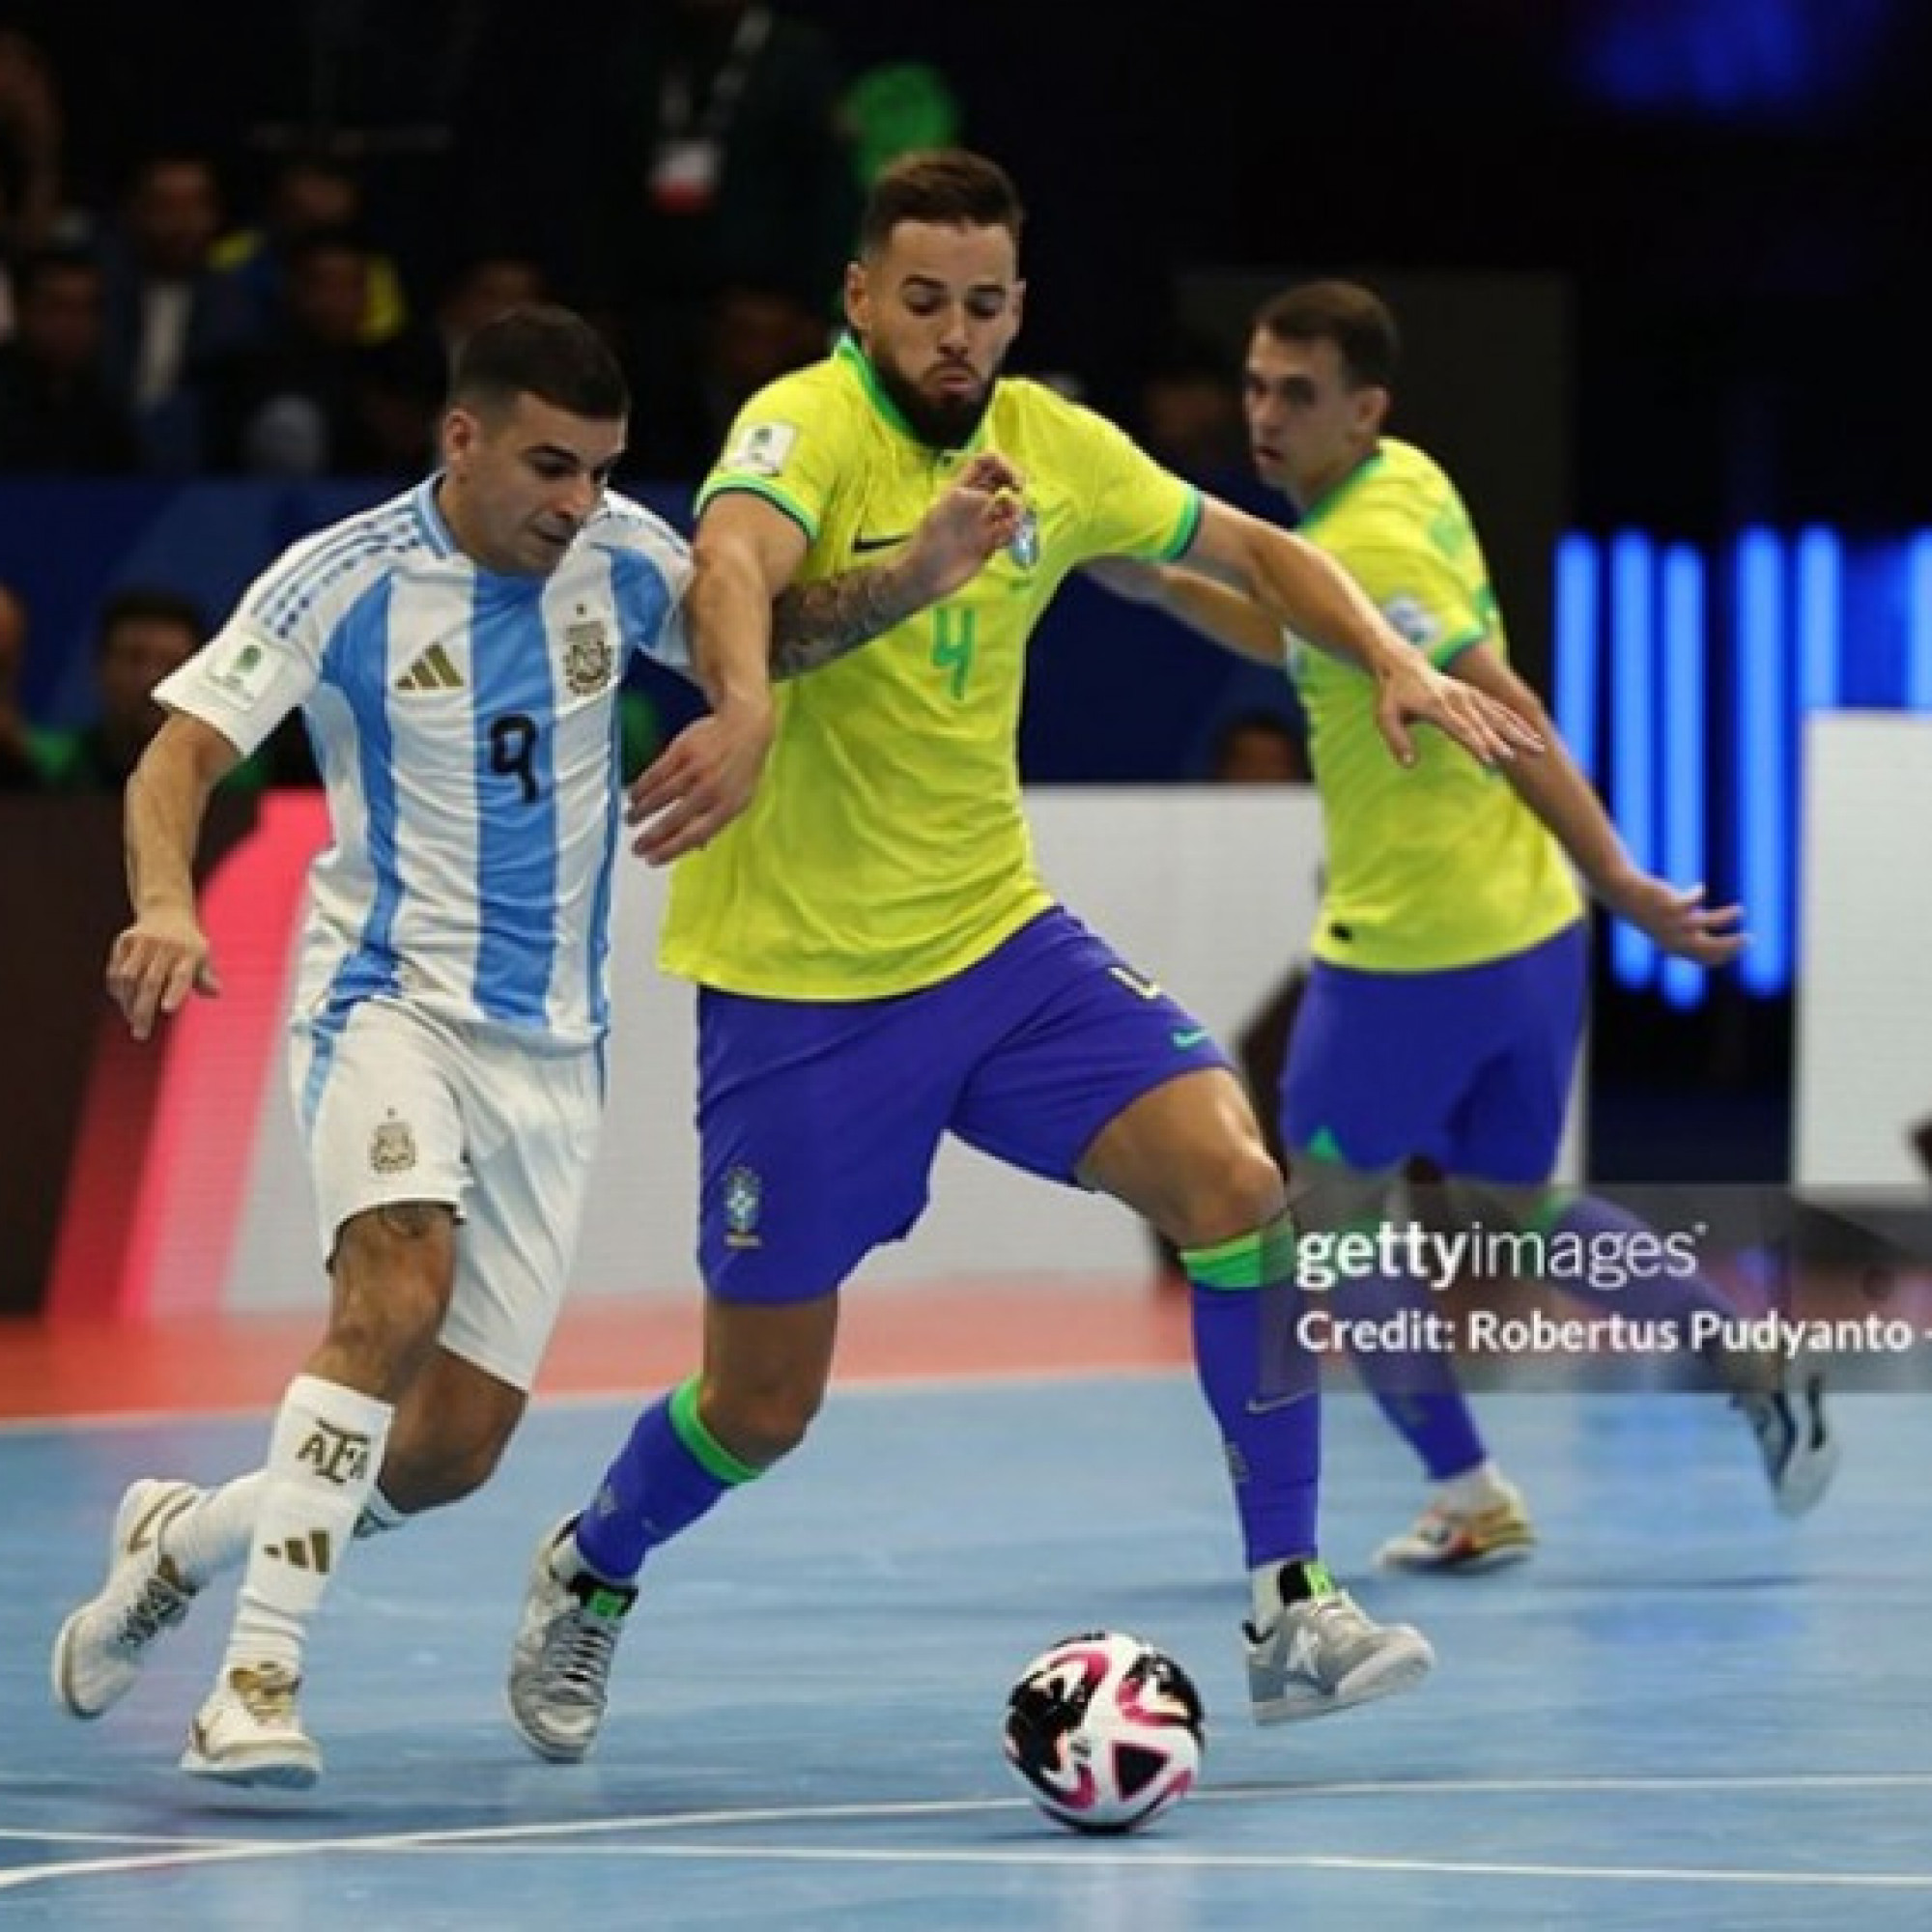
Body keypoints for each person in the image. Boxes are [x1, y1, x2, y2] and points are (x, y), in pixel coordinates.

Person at [501, 150, 1546, 1769]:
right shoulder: (803, 428)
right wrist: (764, 692)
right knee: (761, 1407)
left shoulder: (1051, 445)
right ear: (863, 298)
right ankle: (594, 1564)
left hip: (1000, 946)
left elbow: (1261, 552)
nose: (954, 334)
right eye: (922, 300)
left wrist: (1394, 654)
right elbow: (731, 572)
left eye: (984, 305)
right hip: (802, 994)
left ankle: (1290, 1602)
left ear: (1017, 310)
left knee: (1238, 1188)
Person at [47, 301, 1024, 1790]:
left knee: (447, 1453)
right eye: (551, 469)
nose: (578, 505)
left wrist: (922, 568)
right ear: (463, 438)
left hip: (553, 1054)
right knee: (393, 1295)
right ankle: (248, 1682)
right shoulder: (346, 579)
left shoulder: (618, 554)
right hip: (389, 1006)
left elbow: (765, 631)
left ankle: (186, 1536)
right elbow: (181, 751)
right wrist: (168, 905)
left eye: (602, 471)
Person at [1092, 278, 1839, 1570]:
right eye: (1258, 386)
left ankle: (1471, 1491)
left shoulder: (1377, 545)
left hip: (1413, 956)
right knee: (1512, 1202)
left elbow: (1509, 713)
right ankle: (1744, 1345)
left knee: (1331, 1218)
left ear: (1362, 407)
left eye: (1298, 395)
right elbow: (1299, 631)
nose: (1265, 414)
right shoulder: (1400, 484)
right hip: (1528, 939)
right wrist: (1140, 574)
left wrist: (1627, 882)